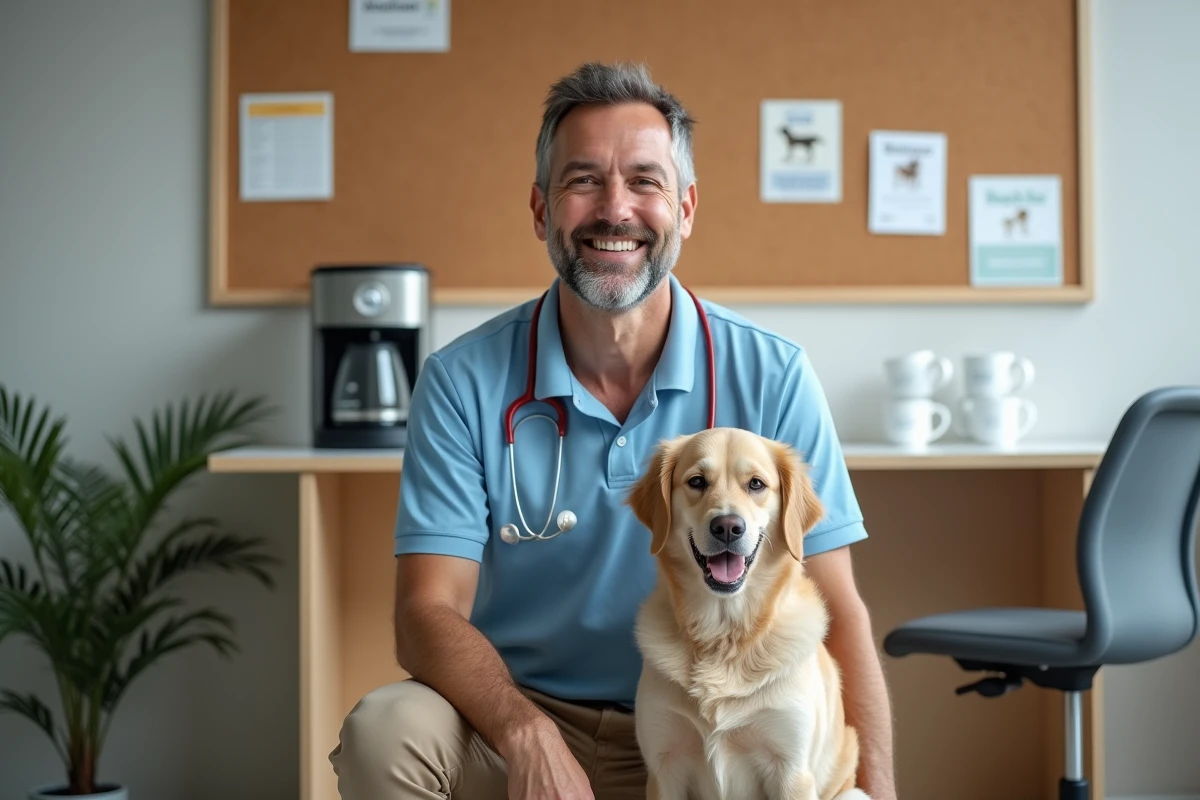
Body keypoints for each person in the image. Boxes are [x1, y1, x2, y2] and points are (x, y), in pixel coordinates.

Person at [329, 61, 898, 800]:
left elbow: (837, 606)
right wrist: (522, 731)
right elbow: (426, 612)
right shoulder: (462, 380)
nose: (615, 209)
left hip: (705, 731)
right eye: (583, 180)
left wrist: (880, 790)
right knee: (386, 731)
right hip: (518, 725)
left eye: (645, 181)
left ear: (686, 207)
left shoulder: (774, 375)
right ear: (541, 209)